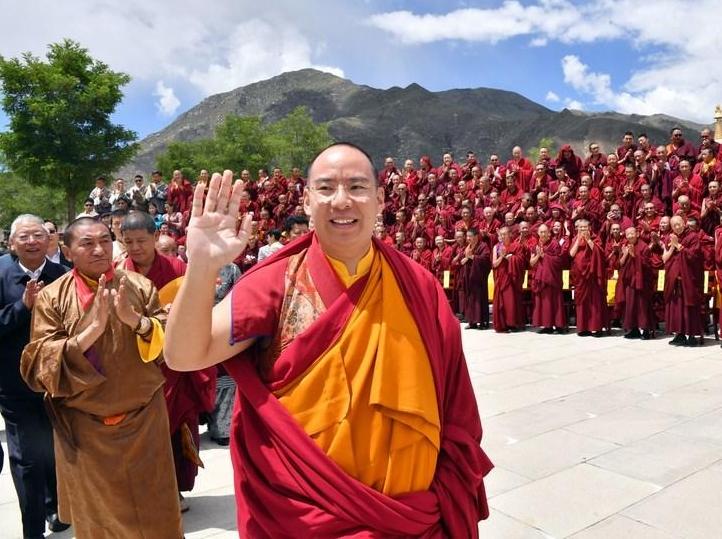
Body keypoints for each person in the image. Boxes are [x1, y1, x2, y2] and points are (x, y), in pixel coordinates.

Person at [164, 143, 492, 537]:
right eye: (326, 188)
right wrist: (201, 265)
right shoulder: (277, 283)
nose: (342, 201)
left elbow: (454, 403)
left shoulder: (418, 285)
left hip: (409, 516)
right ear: (306, 199)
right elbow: (184, 355)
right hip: (308, 513)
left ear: (380, 198)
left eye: (356, 187)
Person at [20, 217, 182, 537]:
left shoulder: (138, 286)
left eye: (105, 241)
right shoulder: (52, 298)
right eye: (87, 243)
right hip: (85, 428)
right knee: (99, 523)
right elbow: (38, 365)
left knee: (158, 515)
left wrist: (135, 320)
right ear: (67, 251)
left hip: (144, 421)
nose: (99, 249)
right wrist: (90, 332)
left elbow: (173, 347)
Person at [119, 212, 215, 511]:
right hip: (135, 365)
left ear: (154, 237)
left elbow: (203, 304)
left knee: (175, 428)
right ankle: (144, 490)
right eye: (129, 242)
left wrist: (181, 310)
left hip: (174, 363)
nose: (135, 248)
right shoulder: (117, 272)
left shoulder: (176, 268)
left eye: (142, 241)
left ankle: (174, 489)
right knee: (139, 432)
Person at [0, 215, 69, 538]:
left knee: (56, 451)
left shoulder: (64, 275)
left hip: (58, 384)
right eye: (24, 237)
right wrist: (23, 307)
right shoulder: (1, 273)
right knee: (27, 458)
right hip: (14, 387)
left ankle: (56, 506)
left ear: (49, 240)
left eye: (38, 235)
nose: (32, 242)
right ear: (12, 243)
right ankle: (32, 530)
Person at [663, 216, 704, 346]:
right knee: (676, 309)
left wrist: (678, 246)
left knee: (689, 308)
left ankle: (691, 336)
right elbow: (666, 259)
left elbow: (694, 256)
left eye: (678, 224)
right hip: (675, 280)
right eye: (674, 225)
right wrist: (672, 247)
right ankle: (679, 334)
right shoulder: (671, 238)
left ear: (684, 223)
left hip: (689, 279)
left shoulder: (693, 237)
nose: (676, 227)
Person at [570, 220, 608, 337]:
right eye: (580, 227)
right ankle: (583, 328)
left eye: (585, 227)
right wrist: (577, 240)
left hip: (592, 274)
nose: (582, 229)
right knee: (582, 302)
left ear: (590, 227)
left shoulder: (595, 238)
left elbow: (600, 253)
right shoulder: (575, 239)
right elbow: (571, 254)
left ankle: (596, 328)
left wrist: (588, 240)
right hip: (580, 275)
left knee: (594, 301)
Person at [618, 227, 655, 339]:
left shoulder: (644, 247)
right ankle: (633, 329)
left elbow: (648, 266)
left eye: (632, 234)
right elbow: (620, 263)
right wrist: (625, 254)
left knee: (642, 306)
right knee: (630, 306)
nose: (629, 236)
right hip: (629, 281)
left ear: (637, 234)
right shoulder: (625, 245)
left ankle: (645, 330)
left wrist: (635, 256)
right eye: (627, 234)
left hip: (641, 282)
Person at [530, 223, 567, 333]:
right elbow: (532, 263)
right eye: (541, 232)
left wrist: (544, 256)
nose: (543, 234)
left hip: (552, 278)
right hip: (541, 279)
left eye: (545, 232)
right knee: (544, 304)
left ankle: (559, 325)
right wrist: (538, 255)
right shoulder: (536, 245)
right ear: (538, 233)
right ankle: (547, 326)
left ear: (549, 234)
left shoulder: (554, 244)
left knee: (555, 302)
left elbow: (559, 260)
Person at [491, 226, 526, 332]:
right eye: (501, 234)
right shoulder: (496, 247)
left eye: (505, 234)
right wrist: (502, 257)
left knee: (511, 301)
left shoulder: (517, 246)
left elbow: (521, 261)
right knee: (501, 301)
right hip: (501, 277)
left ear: (510, 234)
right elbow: (494, 264)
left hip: (512, 277)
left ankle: (513, 323)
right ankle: (503, 324)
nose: (503, 236)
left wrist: (511, 258)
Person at [460, 228, 491, 329]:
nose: (468, 238)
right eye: (467, 236)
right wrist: (465, 259)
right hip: (469, 276)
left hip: (479, 277)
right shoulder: (467, 246)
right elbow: (464, 258)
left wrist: (473, 257)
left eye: (470, 236)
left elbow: (486, 259)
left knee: (480, 299)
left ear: (476, 236)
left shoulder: (483, 246)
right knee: (470, 299)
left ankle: (482, 322)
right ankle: (472, 321)